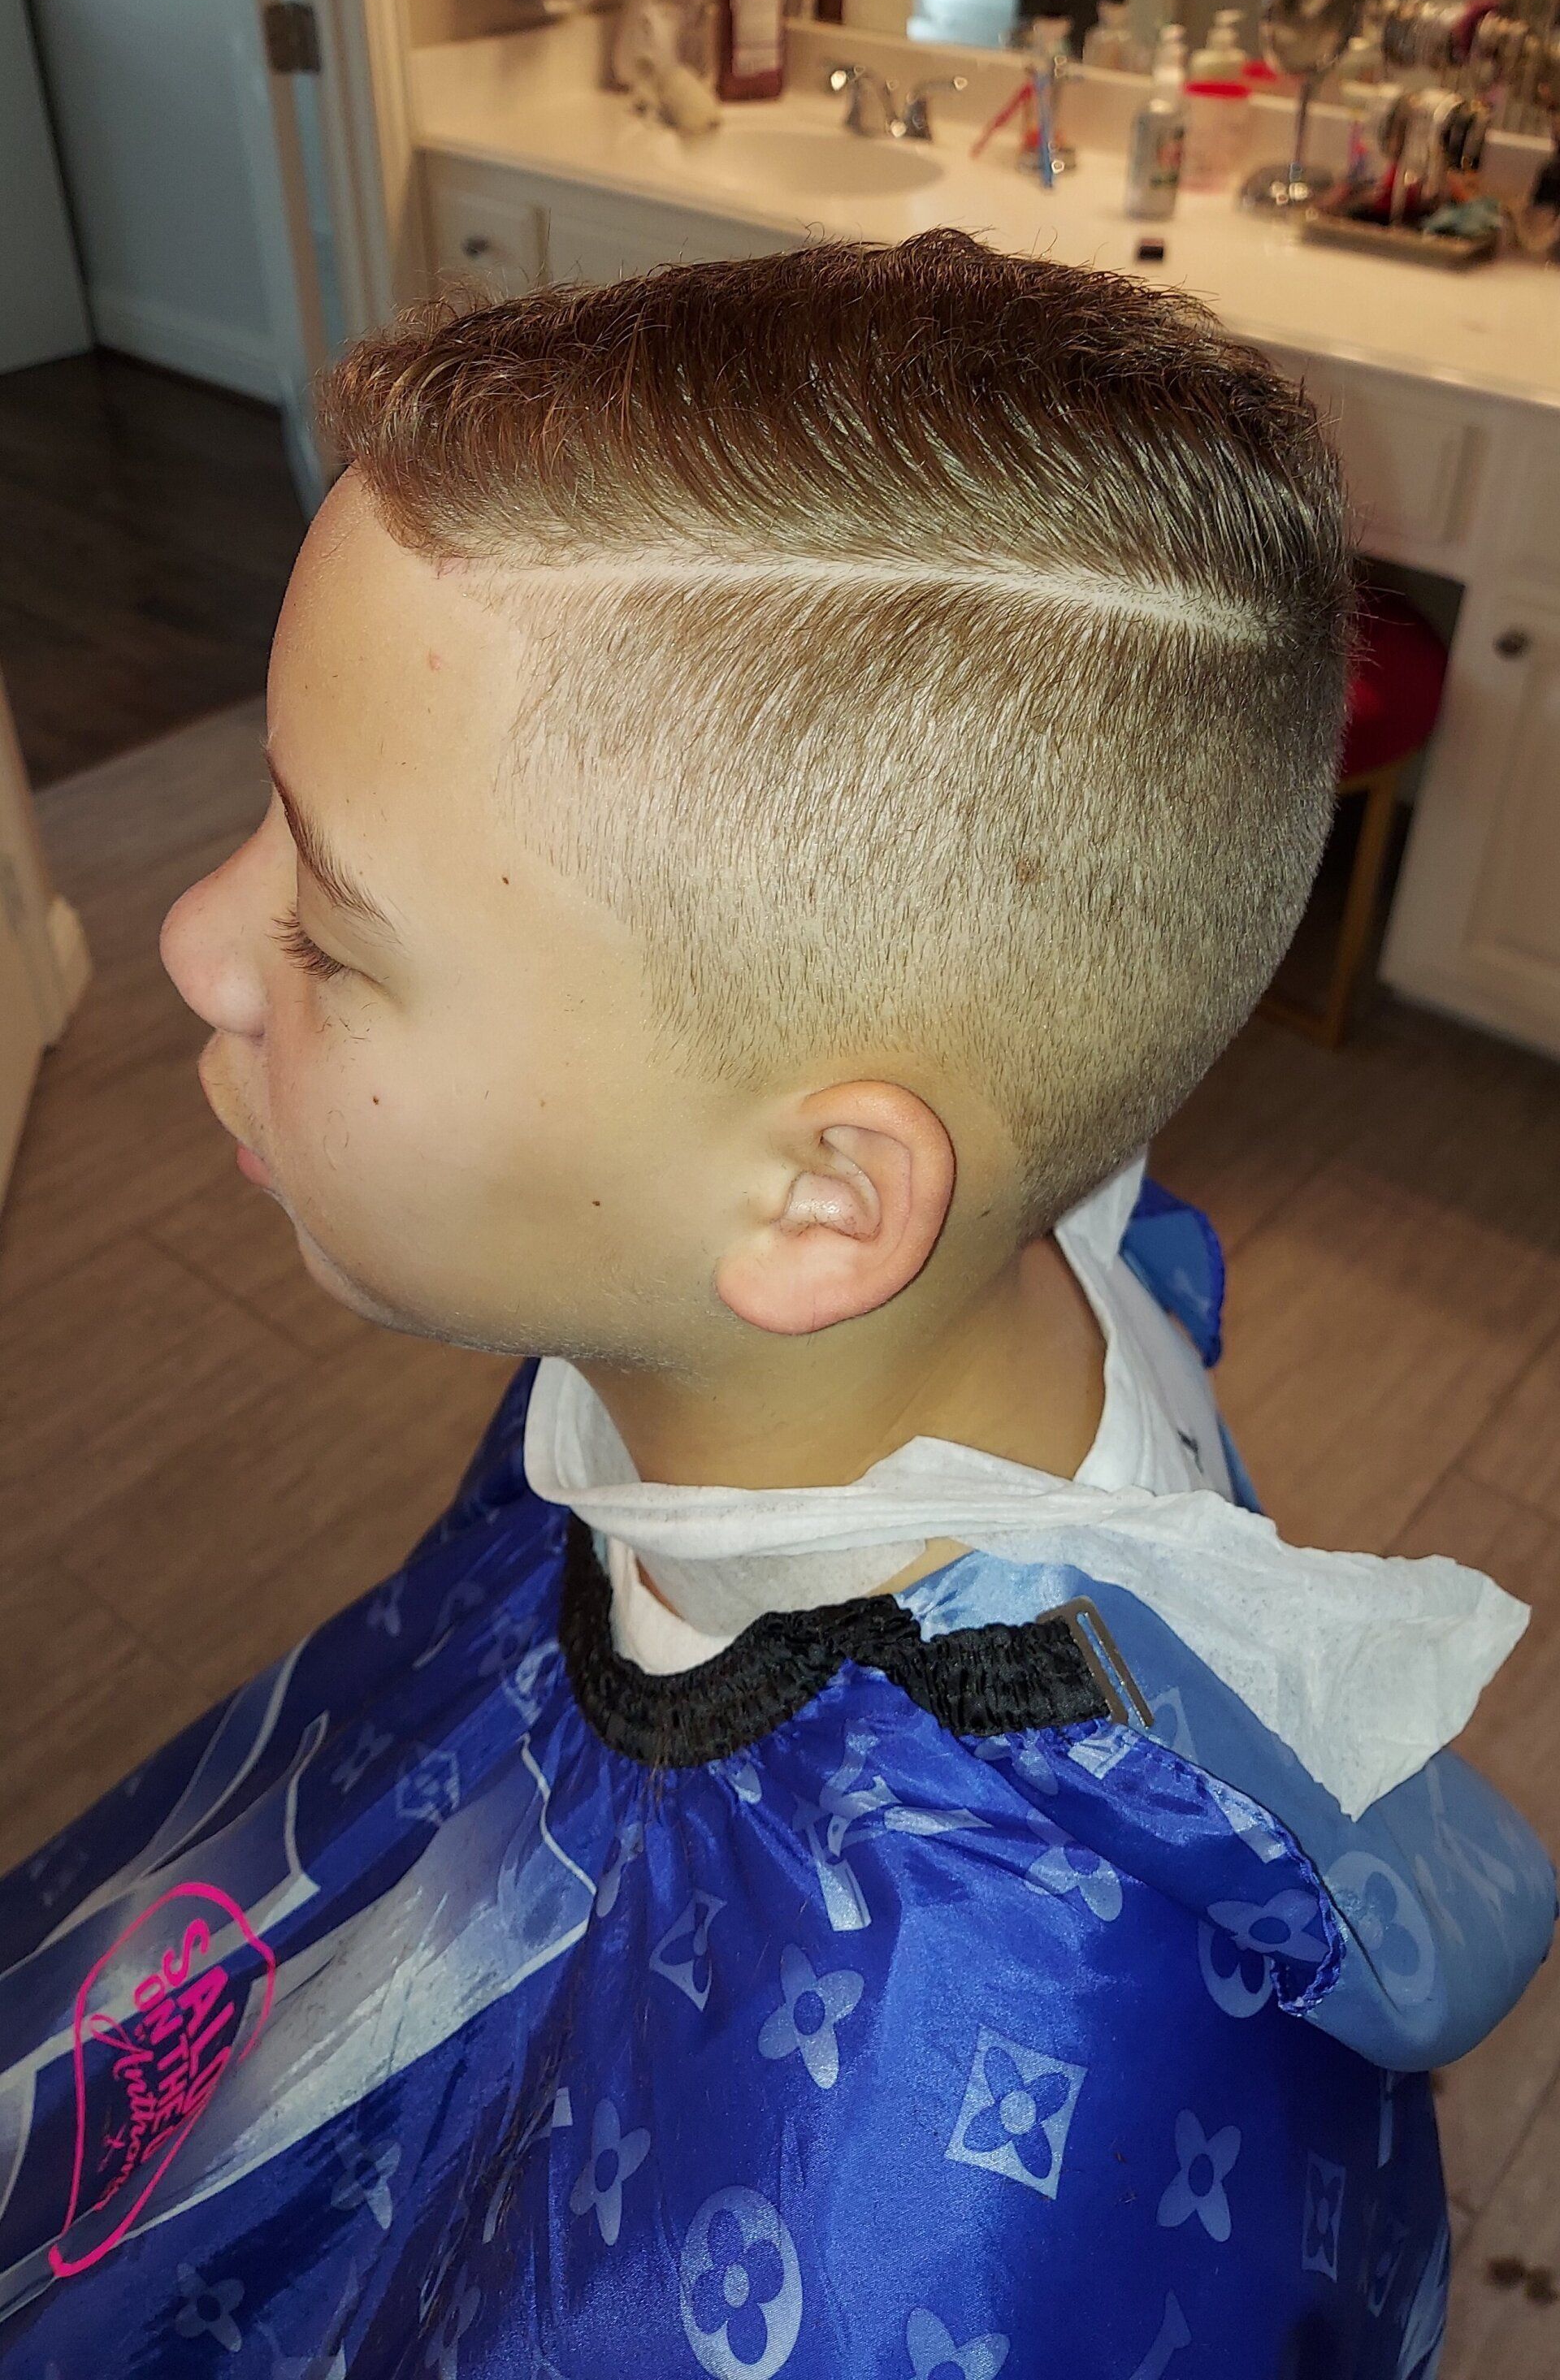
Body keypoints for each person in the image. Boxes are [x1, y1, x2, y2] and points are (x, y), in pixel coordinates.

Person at [0, 235, 1550, 2378]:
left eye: (333, 932)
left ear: (824, 1197)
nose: (186, 938)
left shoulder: (899, 2180)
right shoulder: (959, 1279)